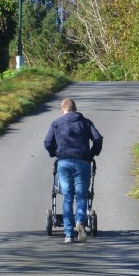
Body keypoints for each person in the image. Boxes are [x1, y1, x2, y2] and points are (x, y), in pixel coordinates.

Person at [43, 98, 103, 243]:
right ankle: (80, 222)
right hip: (83, 162)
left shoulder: (56, 123)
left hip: (64, 162)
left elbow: (47, 142)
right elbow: (98, 139)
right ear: (75, 109)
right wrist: (92, 153)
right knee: (82, 196)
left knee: (68, 197)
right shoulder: (86, 122)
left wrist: (54, 153)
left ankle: (69, 234)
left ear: (63, 110)